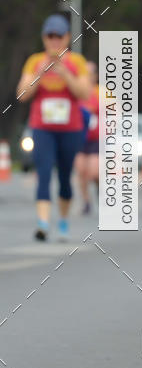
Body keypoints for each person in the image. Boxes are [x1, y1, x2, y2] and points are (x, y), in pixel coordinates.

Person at [16, 14, 91, 241]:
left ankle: (64, 220)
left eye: (59, 36)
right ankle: (43, 223)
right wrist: (40, 73)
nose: (55, 41)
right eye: (50, 36)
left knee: (65, 175)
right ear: (44, 38)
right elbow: (22, 94)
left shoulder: (76, 62)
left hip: (70, 129)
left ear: (67, 38)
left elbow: (85, 93)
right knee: (44, 172)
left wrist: (65, 73)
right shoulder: (35, 61)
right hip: (43, 128)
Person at [75, 61, 100, 214]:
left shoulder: (101, 92)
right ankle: (86, 202)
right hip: (79, 137)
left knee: (94, 172)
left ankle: (99, 187)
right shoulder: (77, 92)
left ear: (95, 76)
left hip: (97, 138)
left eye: (90, 74)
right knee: (81, 171)